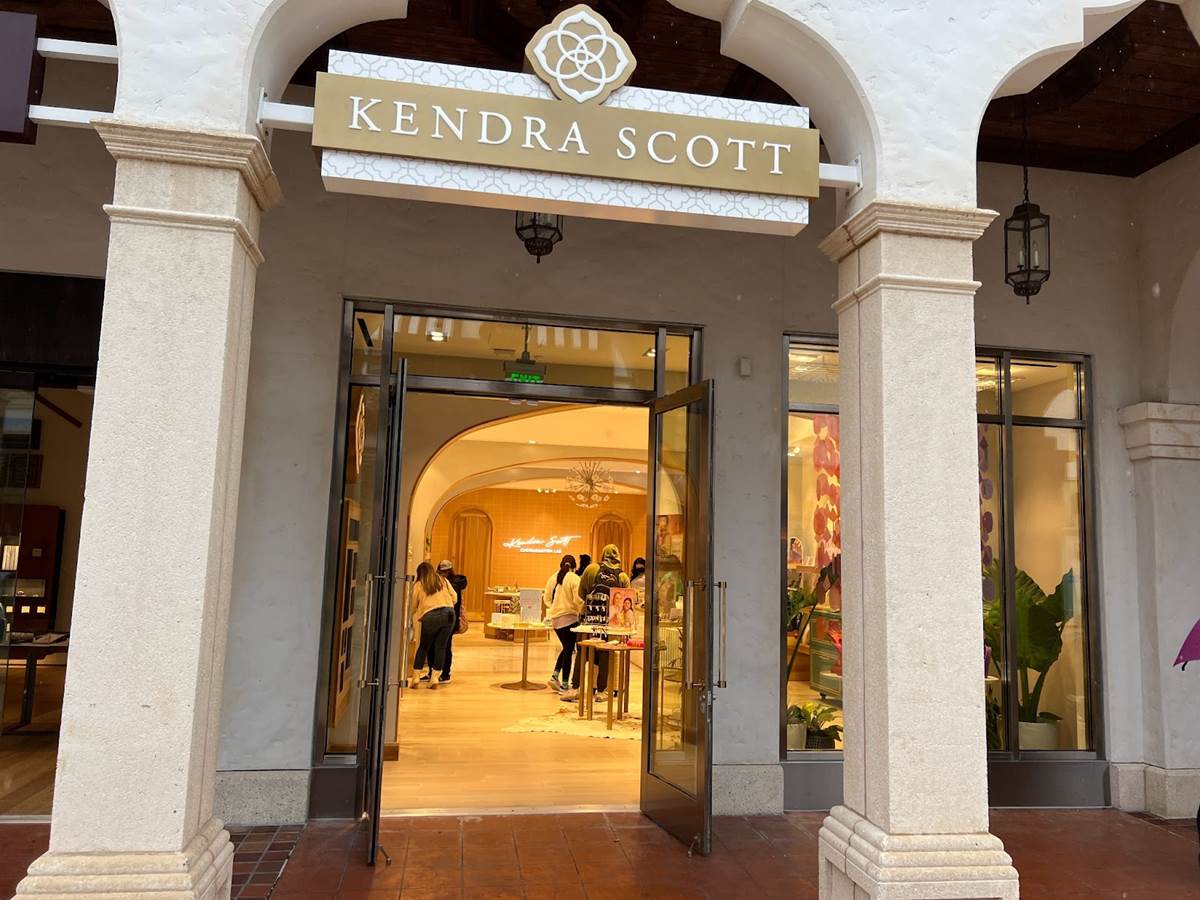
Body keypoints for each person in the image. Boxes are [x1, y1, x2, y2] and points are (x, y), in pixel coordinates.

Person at [562, 543, 629, 702]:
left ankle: (576, 688)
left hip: (589, 619)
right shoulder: (623, 576)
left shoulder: (591, 569)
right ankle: (602, 691)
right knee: (605, 653)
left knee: (582, 651)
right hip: (609, 623)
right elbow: (626, 600)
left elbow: (581, 593)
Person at [411, 560, 457, 689]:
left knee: (424, 647)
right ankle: (435, 679)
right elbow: (455, 597)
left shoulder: (419, 584)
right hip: (449, 614)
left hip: (430, 615)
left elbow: (413, 605)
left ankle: (415, 678)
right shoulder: (443, 580)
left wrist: (411, 615)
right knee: (441, 647)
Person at [423, 559, 466, 684]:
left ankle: (445, 674)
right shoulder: (441, 582)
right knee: (433, 646)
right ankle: (433, 672)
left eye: (445, 571)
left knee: (444, 646)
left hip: (449, 618)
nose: (443, 574)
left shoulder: (453, 584)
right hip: (441, 617)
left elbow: (455, 601)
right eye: (442, 571)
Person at [542, 554, 582, 690]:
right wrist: (580, 609)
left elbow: (546, 598)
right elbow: (578, 600)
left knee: (566, 648)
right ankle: (564, 684)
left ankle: (554, 676)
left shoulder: (553, 577)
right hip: (570, 619)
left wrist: (554, 607)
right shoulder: (574, 578)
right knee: (569, 650)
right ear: (574, 567)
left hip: (555, 620)